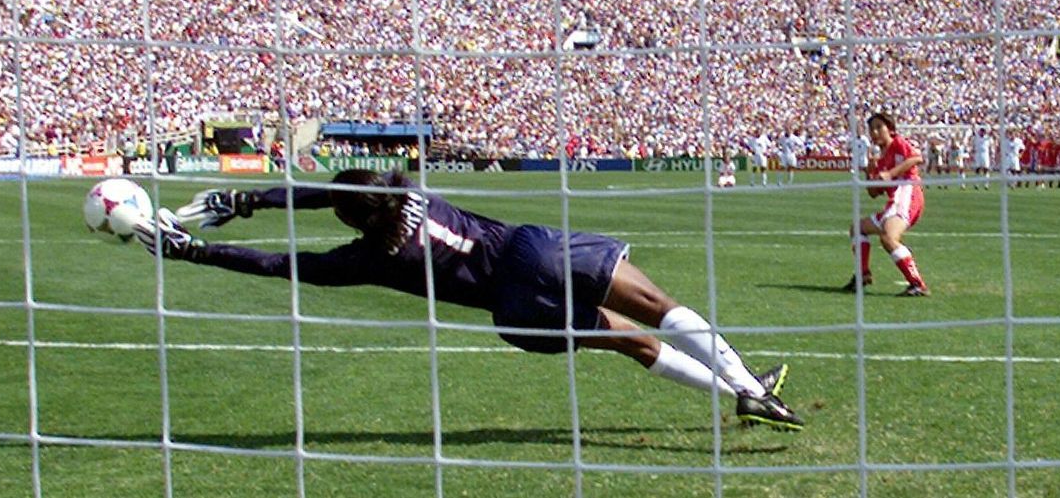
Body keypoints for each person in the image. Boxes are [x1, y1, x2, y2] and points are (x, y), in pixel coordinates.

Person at [132, 168, 804, 431]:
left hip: (510, 309)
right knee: (658, 303)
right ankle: (747, 383)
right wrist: (252, 198)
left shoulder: (372, 258)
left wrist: (199, 249)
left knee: (629, 339)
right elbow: (324, 189)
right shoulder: (411, 191)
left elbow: (285, 263)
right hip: (530, 249)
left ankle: (735, 393)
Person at [842, 112, 930, 297]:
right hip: (895, 201)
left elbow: (916, 158)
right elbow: (874, 193)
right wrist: (870, 173)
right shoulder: (880, 160)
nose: (874, 132)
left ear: (889, 129)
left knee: (889, 238)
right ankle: (863, 274)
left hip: (908, 192)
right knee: (858, 228)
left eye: (879, 127)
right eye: (871, 129)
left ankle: (918, 284)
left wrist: (890, 173)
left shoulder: (898, 143)